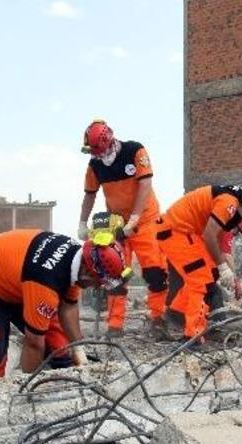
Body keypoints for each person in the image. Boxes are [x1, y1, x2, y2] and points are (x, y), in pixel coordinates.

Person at [0, 229, 130, 379]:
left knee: (61, 348)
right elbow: (33, 343)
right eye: (96, 283)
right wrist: (28, 384)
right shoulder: (47, 281)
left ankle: (66, 380)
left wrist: (79, 350)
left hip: (19, 282)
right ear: (88, 272)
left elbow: (69, 306)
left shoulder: (77, 257)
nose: (96, 287)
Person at [156, 174, 242, 342]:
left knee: (211, 274)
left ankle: (175, 315)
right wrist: (223, 266)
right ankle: (193, 334)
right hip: (176, 230)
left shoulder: (234, 205)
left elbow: (218, 243)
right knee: (200, 279)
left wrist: (230, 276)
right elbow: (210, 235)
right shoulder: (229, 203)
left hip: (187, 232)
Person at [78, 119, 168, 335]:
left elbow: (145, 185)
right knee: (114, 273)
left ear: (108, 142)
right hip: (116, 223)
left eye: (97, 151)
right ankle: (115, 324)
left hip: (146, 220)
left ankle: (157, 319)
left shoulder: (134, 151)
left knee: (155, 271)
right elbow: (90, 195)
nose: (96, 156)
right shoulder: (95, 165)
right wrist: (82, 222)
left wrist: (135, 218)